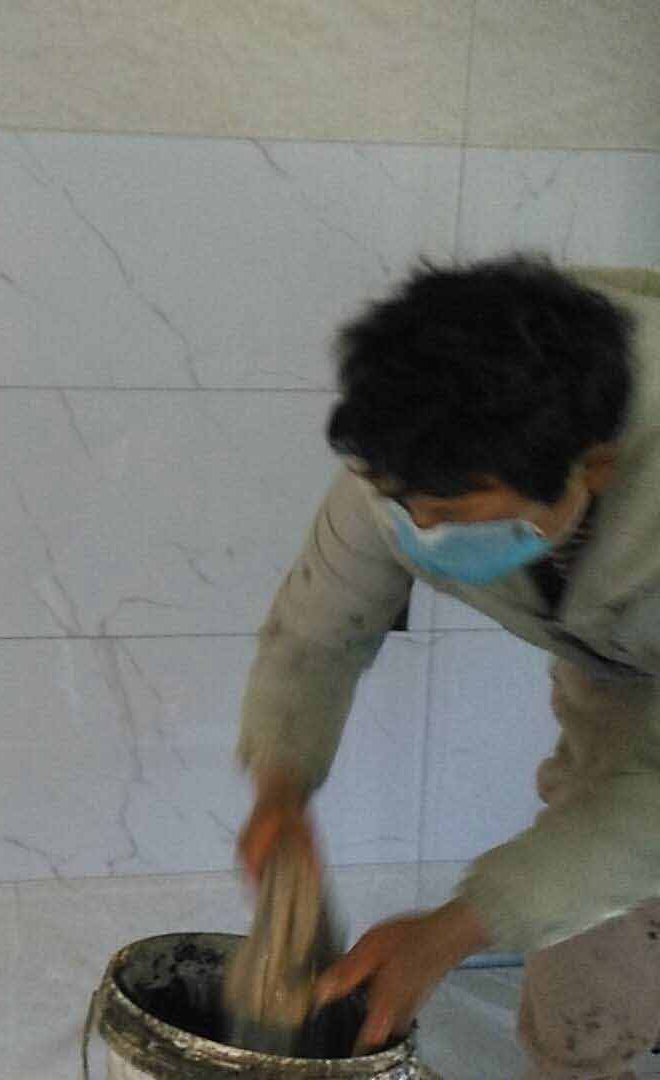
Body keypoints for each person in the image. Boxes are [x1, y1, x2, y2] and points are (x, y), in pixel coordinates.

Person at [235, 254, 660, 1077]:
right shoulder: (424, 442)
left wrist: (455, 930)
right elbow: (319, 633)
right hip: (618, 657)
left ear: (595, 468)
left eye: (455, 515)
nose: (422, 532)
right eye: (405, 507)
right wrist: (280, 790)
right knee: (589, 964)